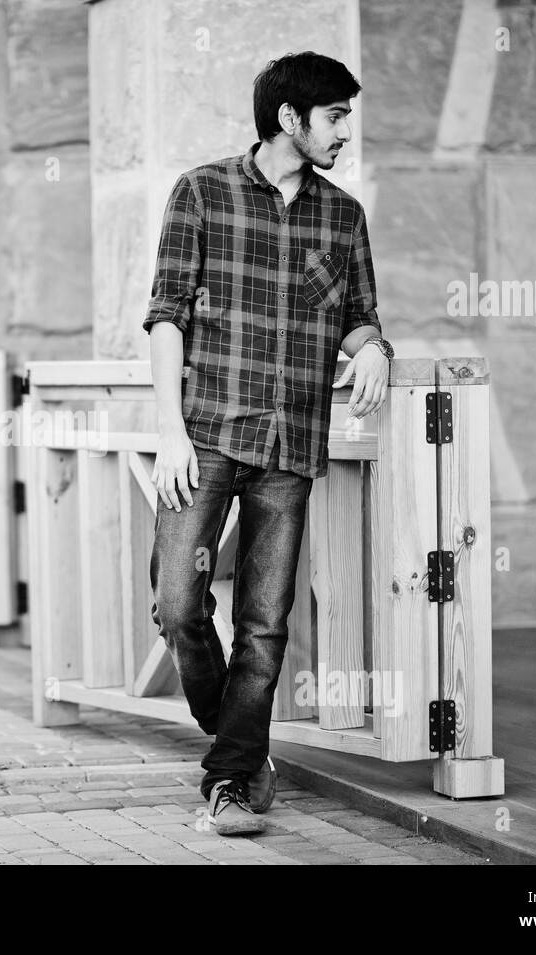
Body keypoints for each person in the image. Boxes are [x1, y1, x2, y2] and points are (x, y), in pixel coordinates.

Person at [142, 51, 393, 836]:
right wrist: (169, 432)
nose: (346, 131)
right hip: (208, 436)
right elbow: (166, 316)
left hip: (291, 444)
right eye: (336, 116)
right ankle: (246, 749)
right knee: (178, 603)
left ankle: (228, 779)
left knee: (263, 622)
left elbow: (353, 312)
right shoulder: (201, 193)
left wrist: (374, 348)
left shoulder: (343, 215)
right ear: (290, 119)